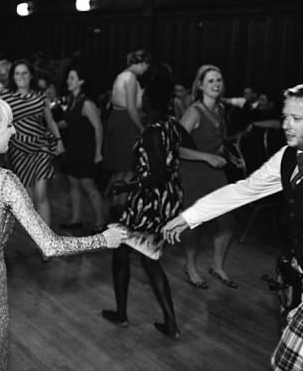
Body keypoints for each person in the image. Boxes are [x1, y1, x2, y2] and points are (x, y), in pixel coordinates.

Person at [0, 95, 126, 370]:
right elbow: (50, 246)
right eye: (9, 125)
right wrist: (103, 239)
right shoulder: (4, 181)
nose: (14, 131)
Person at [162, 83, 303, 371]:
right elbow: (242, 191)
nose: (286, 125)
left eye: (296, 119)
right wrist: (190, 216)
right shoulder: (288, 157)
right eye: (284, 117)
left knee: (286, 363)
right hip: (297, 271)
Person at [101, 74, 186, 340]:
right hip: (167, 200)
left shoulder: (152, 132)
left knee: (124, 251)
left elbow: (158, 173)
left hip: (149, 203)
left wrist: (127, 188)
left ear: (147, 100)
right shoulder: (172, 125)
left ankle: (123, 314)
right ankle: (169, 325)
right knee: (145, 258)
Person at [178, 64, 236, 289]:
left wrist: (224, 153)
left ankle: (217, 265)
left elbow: (216, 140)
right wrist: (206, 157)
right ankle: (191, 267)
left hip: (216, 172)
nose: (216, 84)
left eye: (218, 80)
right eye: (210, 80)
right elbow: (175, 148)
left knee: (227, 220)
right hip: (194, 173)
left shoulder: (219, 109)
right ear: (200, 85)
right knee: (196, 223)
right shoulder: (194, 112)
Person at [0, 59, 64, 230]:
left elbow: (49, 121)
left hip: (40, 147)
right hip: (18, 150)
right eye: (17, 73)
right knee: (28, 198)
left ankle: (46, 243)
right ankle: (37, 234)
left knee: (41, 195)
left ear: (31, 75)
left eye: (25, 73)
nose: (21, 76)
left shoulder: (40, 95)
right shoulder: (5, 96)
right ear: (13, 77)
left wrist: (59, 140)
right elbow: (0, 123)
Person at [57, 66, 106, 233]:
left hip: (85, 149)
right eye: (69, 78)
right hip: (73, 148)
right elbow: (67, 122)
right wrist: (49, 126)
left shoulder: (86, 103)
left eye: (72, 78)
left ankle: (100, 222)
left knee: (88, 186)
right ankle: (76, 218)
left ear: (81, 81)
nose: (68, 81)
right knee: (74, 185)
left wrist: (99, 152)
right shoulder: (72, 100)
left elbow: (99, 128)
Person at [103, 50, 151, 221]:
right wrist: (141, 127)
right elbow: (131, 107)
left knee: (120, 169)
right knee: (129, 166)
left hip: (116, 119)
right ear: (142, 63)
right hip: (125, 122)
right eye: (146, 66)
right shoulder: (131, 78)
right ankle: (120, 208)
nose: (146, 70)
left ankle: (115, 207)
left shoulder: (120, 76)